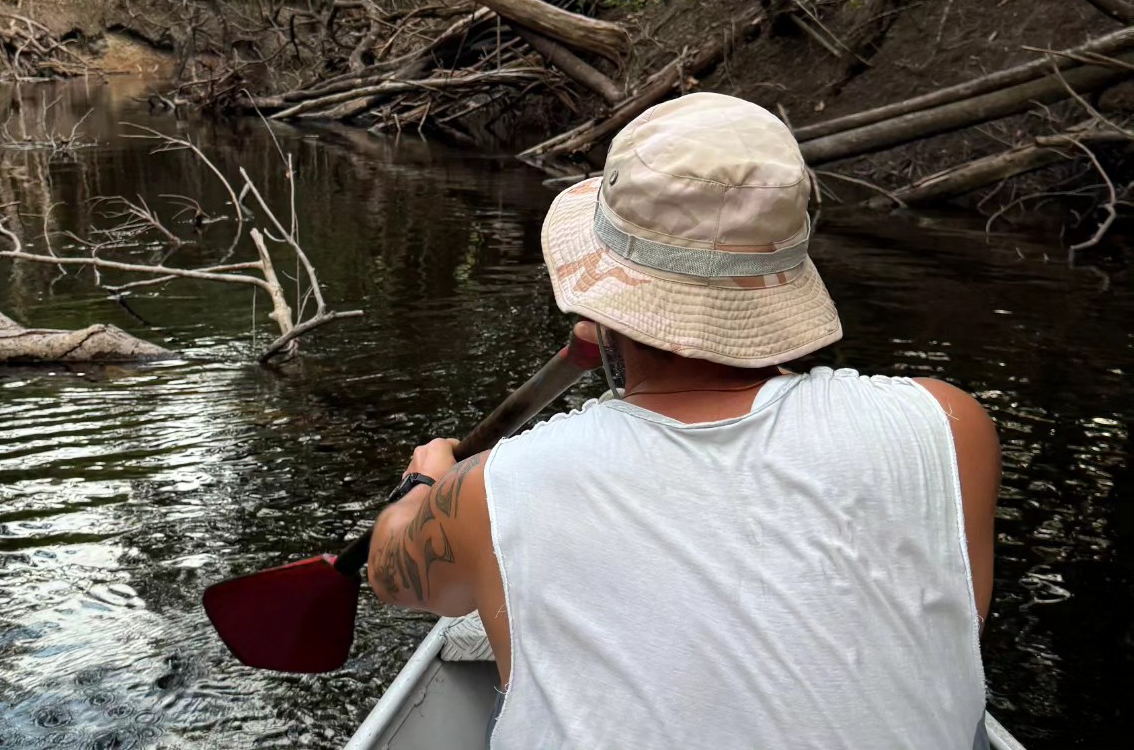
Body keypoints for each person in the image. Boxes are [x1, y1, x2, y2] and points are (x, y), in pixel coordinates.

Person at [368, 92, 1000, 750]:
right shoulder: (949, 427)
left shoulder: (491, 491)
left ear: (604, 302)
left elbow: (390, 572)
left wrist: (424, 486)